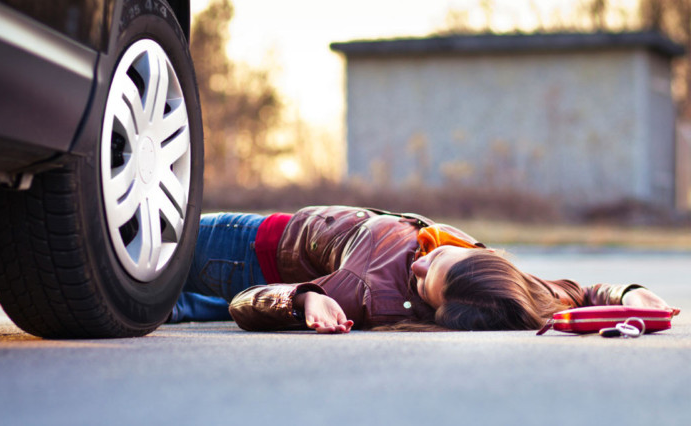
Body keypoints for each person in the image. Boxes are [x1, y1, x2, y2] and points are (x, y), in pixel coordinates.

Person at [169, 206, 680, 334]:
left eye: (423, 283)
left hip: (238, 249)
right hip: (262, 243)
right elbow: (574, 293)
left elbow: (245, 303)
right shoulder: (505, 286)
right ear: (487, 262)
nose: (419, 262)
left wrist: (302, 300)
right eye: (438, 260)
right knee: (148, 305)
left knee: (108, 257)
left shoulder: (359, 291)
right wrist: (628, 292)